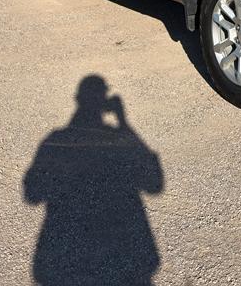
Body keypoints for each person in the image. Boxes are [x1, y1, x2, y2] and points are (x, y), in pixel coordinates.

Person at [24, 75, 164, 285]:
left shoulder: (56, 140)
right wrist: (123, 122)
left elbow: (32, 194)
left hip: (67, 251)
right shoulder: (114, 137)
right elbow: (154, 184)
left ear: (77, 98)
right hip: (120, 248)